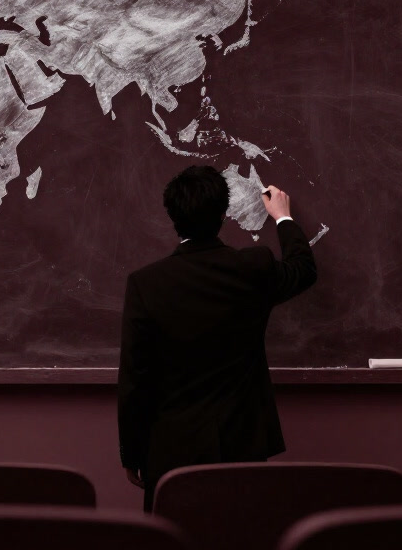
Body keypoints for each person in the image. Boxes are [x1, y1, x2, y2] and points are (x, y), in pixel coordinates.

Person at [117, 164, 317, 512]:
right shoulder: (253, 267)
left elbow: (135, 377)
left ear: (172, 217)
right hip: (241, 447)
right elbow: (303, 269)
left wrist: (133, 454)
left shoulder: (145, 284)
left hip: (170, 453)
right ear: (224, 214)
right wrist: (282, 218)